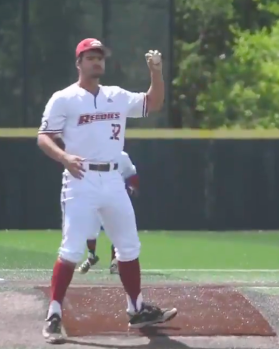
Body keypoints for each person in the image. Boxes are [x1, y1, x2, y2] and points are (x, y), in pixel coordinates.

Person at [36, 38, 177, 344]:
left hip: (113, 180)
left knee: (129, 247)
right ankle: (54, 314)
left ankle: (136, 308)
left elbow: (153, 103)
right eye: (90, 57)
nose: (97, 61)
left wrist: (156, 73)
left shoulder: (116, 96)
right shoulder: (64, 98)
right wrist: (63, 157)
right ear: (79, 63)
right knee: (71, 249)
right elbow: (44, 137)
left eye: (100, 57)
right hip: (80, 178)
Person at [78, 150, 140, 275]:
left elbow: (131, 174)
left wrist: (133, 187)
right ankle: (91, 257)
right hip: (93, 196)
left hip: (114, 198)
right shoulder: (91, 155)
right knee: (90, 228)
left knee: (117, 230)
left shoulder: (122, 156)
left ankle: (114, 262)